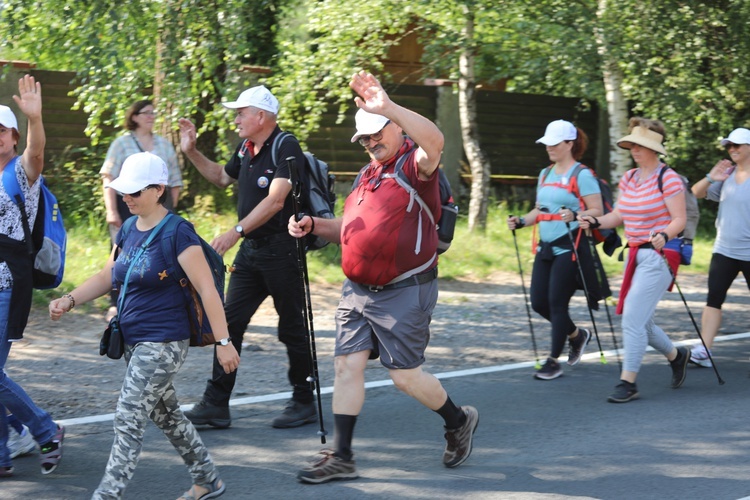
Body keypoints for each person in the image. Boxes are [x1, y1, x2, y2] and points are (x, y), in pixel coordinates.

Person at [289, 70, 478, 484]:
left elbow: (436, 142)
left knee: (404, 376)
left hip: (404, 290)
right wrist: (313, 226)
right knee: (346, 366)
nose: (373, 143)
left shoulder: (416, 167)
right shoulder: (367, 175)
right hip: (358, 291)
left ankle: (457, 419)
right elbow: (350, 228)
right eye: (366, 140)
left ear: (397, 127)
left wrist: (387, 106)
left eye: (379, 134)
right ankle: (342, 456)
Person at [49, 152, 239, 499]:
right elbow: (109, 275)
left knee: (128, 415)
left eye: (135, 192)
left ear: (158, 190)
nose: (127, 198)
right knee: (168, 417)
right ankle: (208, 480)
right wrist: (70, 299)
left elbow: (208, 290)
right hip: (134, 341)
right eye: (125, 192)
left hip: (165, 342)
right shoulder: (127, 229)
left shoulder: (178, 233)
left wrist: (224, 341)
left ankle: (108, 494)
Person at [178, 85, 316, 429]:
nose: (236, 119)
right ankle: (216, 404)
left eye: (241, 113)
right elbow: (222, 178)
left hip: (283, 251)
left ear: (262, 116)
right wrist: (192, 151)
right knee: (227, 323)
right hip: (252, 253)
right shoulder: (246, 147)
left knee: (292, 328)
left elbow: (276, 201)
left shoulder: (286, 145)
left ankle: (303, 399)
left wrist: (234, 232)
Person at [579, 117, 689, 403]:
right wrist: (594, 220)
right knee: (643, 321)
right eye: (631, 145)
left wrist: (664, 234)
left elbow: (680, 219)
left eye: (639, 146)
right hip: (636, 254)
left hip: (662, 254)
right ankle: (677, 357)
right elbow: (618, 216)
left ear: (653, 148)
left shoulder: (669, 178)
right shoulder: (629, 178)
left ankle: (628, 383)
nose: (634, 150)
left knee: (632, 319)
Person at [0, 75, 65, 478]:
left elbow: (36, 153)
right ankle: (4, 455)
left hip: (7, 285)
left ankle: (44, 428)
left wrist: (35, 121)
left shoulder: (19, 174)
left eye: (2, 131)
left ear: (11, 136)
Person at [506, 120, 602, 380]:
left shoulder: (582, 174)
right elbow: (541, 211)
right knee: (539, 303)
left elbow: (598, 211)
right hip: (545, 247)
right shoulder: (545, 174)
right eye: (546, 143)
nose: (548, 147)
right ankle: (577, 335)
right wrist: (522, 221)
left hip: (570, 247)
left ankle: (552, 361)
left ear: (570, 144)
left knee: (557, 304)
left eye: (554, 143)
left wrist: (576, 214)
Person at [100, 99, 183, 321]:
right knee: (121, 257)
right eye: (146, 112)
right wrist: (111, 210)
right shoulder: (121, 143)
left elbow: (175, 181)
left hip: (160, 209)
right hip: (126, 206)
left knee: (160, 256)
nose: (151, 116)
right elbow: (108, 177)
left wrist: (167, 209)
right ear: (134, 116)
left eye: (153, 112)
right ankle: (116, 304)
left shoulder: (164, 145)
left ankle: (158, 301)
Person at [689, 128, 750, 368]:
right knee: (713, 299)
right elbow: (695, 193)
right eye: (729, 146)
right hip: (724, 249)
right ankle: (704, 350)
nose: (732, 150)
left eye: (737, 145)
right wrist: (712, 176)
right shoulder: (727, 175)